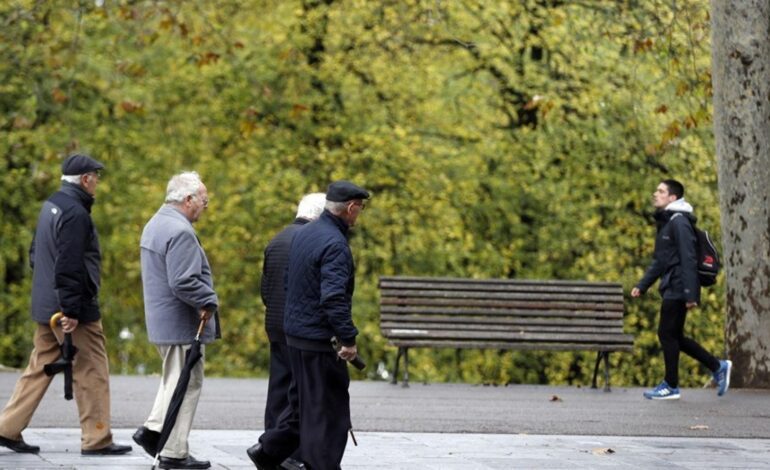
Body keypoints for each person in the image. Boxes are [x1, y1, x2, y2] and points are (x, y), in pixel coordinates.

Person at [0, 154, 132, 455]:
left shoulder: (52, 205)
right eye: (95, 176)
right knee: (92, 370)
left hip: (48, 304)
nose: (97, 181)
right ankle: (97, 439)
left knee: (41, 367)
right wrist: (71, 310)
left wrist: (53, 296)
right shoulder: (76, 214)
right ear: (85, 180)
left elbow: (37, 255)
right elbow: (70, 264)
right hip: (71, 310)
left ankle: (7, 427)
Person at [248, 181, 369, 470]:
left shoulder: (305, 234)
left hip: (295, 336)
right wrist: (348, 339)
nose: (359, 215)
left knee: (301, 403)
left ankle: (268, 450)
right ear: (350, 208)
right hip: (319, 340)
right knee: (328, 411)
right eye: (360, 209)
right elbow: (333, 298)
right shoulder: (335, 244)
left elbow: (289, 283)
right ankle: (321, 464)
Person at [132, 171, 219, 470]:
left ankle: (156, 432)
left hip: (163, 321)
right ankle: (172, 450)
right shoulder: (179, 230)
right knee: (187, 383)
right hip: (181, 323)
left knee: (174, 380)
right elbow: (183, 281)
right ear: (188, 199)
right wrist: (209, 299)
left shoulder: (156, 223)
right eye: (204, 200)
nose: (206, 206)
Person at [631, 179, 731, 400]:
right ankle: (718, 365)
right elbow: (660, 261)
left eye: (660, 191)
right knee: (675, 335)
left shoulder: (679, 222)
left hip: (678, 286)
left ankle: (671, 385)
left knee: (666, 333)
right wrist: (642, 285)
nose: (655, 194)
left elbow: (689, 257)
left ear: (672, 197)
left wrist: (690, 294)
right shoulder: (668, 223)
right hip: (673, 284)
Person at [261, 194, 326, 444]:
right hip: (300, 328)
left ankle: (269, 440)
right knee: (301, 391)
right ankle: (287, 448)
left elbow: (265, 288)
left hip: (275, 323)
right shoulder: (311, 241)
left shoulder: (277, 240)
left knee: (278, 387)